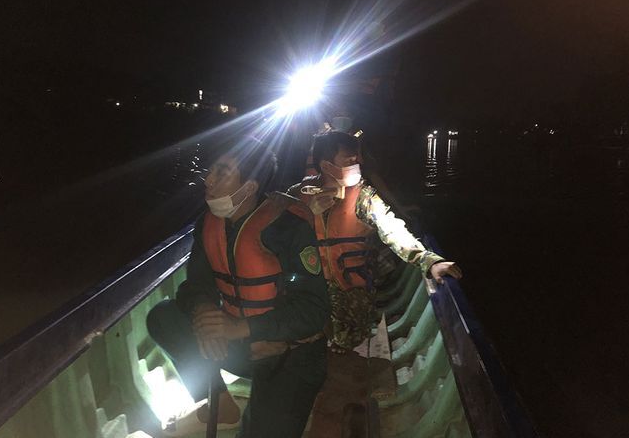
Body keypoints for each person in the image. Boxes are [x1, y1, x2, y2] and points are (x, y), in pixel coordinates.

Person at [147, 137, 330, 437]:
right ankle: (221, 405)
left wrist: (245, 328)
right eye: (211, 171)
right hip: (239, 347)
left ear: (250, 187)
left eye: (221, 172)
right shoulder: (208, 224)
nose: (208, 180)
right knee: (162, 317)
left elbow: (313, 310)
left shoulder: (289, 228)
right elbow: (195, 285)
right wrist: (203, 312)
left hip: (290, 354)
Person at [288, 131, 462, 354]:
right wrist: (307, 215)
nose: (358, 164)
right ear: (326, 165)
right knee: (304, 333)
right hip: (308, 286)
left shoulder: (363, 197)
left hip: (350, 292)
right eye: (350, 160)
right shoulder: (297, 195)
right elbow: (279, 237)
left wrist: (427, 260)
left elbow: (392, 229)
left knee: (346, 341)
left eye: (357, 158)